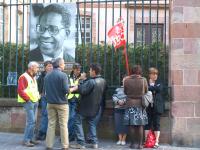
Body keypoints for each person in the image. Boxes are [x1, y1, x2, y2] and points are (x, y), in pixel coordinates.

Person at [70, 63, 106, 149]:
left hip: (85, 108)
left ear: (93, 71)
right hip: (96, 108)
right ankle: (94, 143)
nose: (89, 72)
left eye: (90, 70)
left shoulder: (91, 81)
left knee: (77, 122)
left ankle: (81, 143)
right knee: (92, 124)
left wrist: (81, 80)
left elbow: (82, 90)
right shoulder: (103, 81)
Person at [44, 58, 69, 150]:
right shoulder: (63, 75)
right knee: (63, 125)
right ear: (60, 65)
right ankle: (65, 146)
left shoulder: (47, 75)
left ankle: (49, 145)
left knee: (51, 124)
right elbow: (66, 90)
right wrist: (72, 89)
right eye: (64, 64)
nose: (64, 65)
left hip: (50, 103)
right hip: (62, 103)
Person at [123, 65, 148, 149]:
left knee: (131, 125)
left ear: (132, 71)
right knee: (140, 125)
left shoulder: (126, 80)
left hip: (130, 104)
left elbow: (125, 92)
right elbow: (146, 91)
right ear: (140, 72)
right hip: (140, 104)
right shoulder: (143, 80)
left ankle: (133, 144)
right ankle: (140, 145)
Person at [17, 61, 40, 147]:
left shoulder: (32, 77)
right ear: (31, 68)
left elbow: (34, 89)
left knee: (33, 122)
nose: (37, 69)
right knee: (31, 122)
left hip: (34, 101)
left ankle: (30, 139)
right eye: (36, 67)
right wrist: (28, 100)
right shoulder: (24, 77)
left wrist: (37, 98)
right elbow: (20, 90)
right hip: (28, 102)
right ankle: (26, 140)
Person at [144, 67, 164, 148]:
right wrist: (152, 89)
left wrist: (150, 88)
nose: (155, 75)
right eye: (153, 74)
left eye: (156, 74)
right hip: (148, 106)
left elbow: (159, 89)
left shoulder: (160, 82)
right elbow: (144, 89)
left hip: (157, 106)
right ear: (150, 75)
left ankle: (156, 142)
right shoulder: (145, 82)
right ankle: (146, 140)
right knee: (147, 124)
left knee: (157, 124)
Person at [36, 61, 53, 140]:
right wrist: (40, 93)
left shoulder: (54, 75)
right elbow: (38, 85)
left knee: (48, 116)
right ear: (45, 67)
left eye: (51, 66)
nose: (51, 67)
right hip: (44, 98)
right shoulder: (42, 76)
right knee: (44, 114)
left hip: (52, 98)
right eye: (49, 66)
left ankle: (43, 132)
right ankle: (43, 133)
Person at [112, 77, 128, 146]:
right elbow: (114, 96)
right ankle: (119, 139)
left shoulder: (130, 89)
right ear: (122, 81)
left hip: (126, 108)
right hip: (117, 108)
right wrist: (118, 101)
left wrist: (124, 101)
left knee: (125, 124)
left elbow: (130, 97)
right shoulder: (117, 89)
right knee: (118, 123)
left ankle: (124, 139)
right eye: (124, 80)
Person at [67, 63, 81, 142]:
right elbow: (67, 87)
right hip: (69, 100)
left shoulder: (82, 77)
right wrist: (75, 88)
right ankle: (69, 135)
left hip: (77, 101)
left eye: (79, 69)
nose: (78, 71)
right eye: (77, 69)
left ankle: (70, 136)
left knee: (72, 118)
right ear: (73, 69)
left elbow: (81, 87)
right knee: (69, 119)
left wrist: (74, 88)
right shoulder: (68, 77)